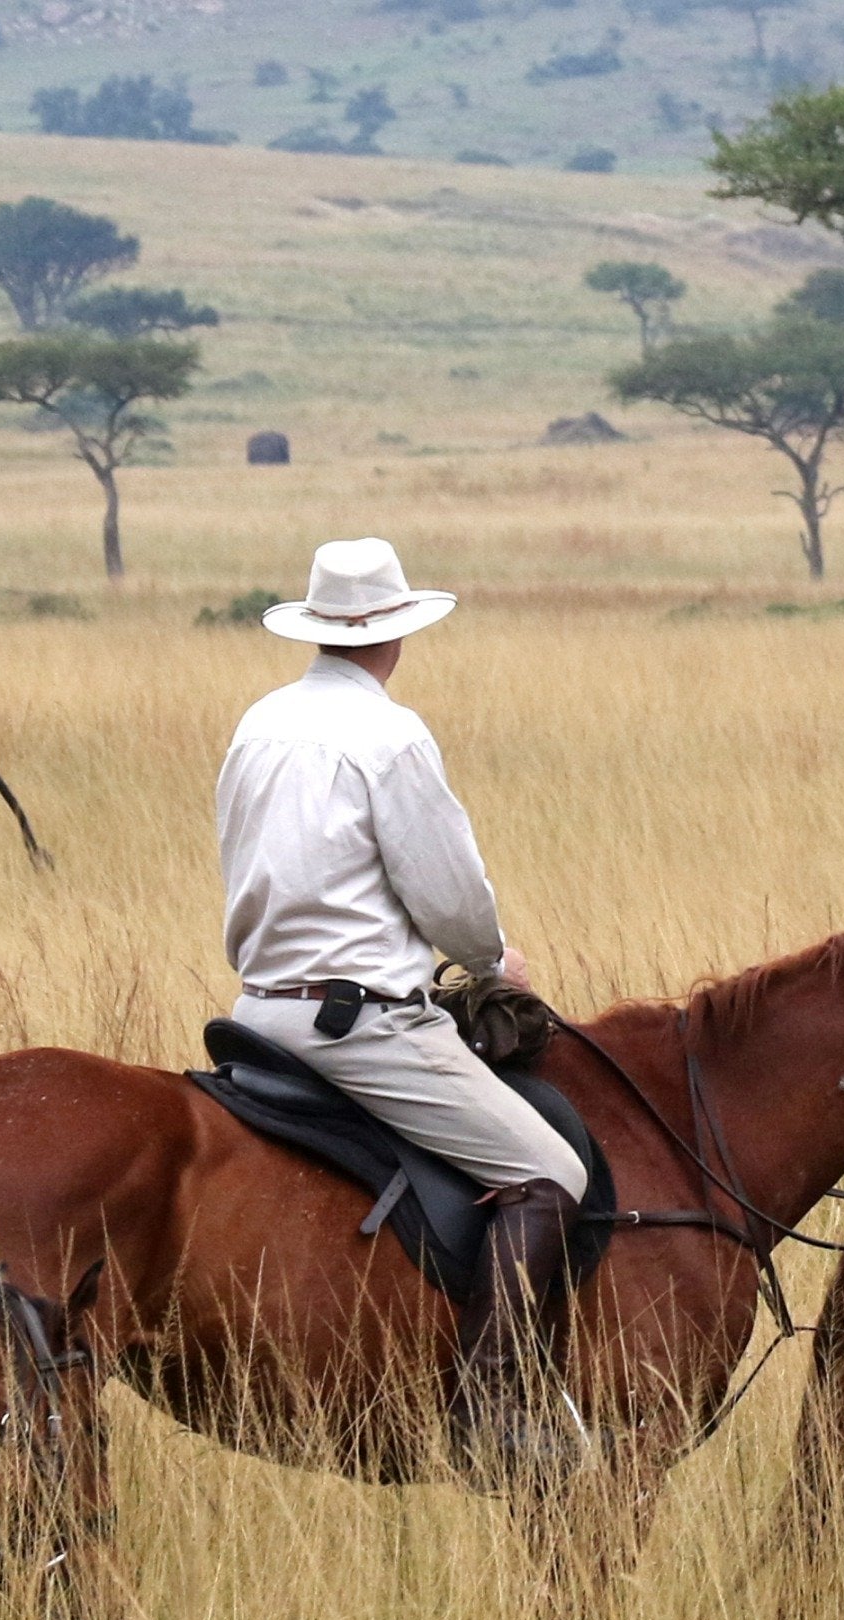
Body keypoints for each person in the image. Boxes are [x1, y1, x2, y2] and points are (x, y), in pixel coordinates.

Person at [222, 535, 591, 1466]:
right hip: (361, 1026)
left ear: (317, 629)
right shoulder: (390, 735)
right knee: (551, 1174)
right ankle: (496, 1410)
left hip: (258, 1012)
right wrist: (490, 960)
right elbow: (447, 890)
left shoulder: (258, 722)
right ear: (396, 635)